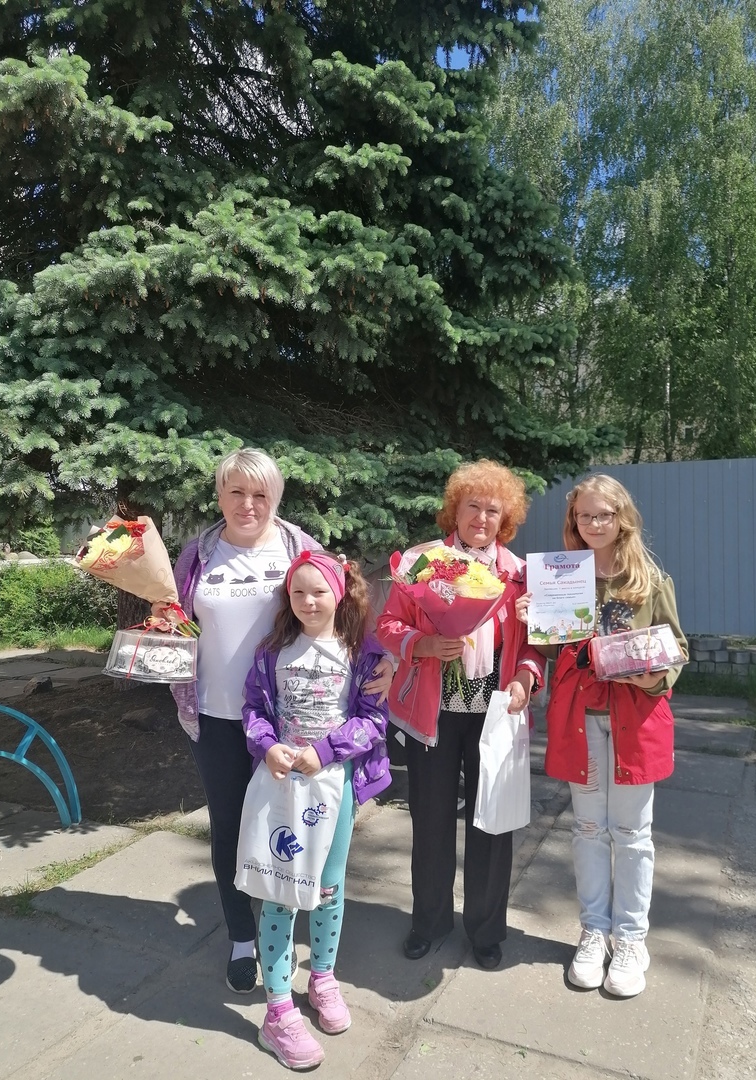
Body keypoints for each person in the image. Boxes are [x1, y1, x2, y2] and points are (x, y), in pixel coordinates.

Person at [165, 449, 392, 994]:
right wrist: (161, 626)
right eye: (236, 492)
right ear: (219, 495)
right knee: (232, 828)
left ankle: (289, 931)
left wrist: (381, 657)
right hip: (218, 717)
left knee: (292, 827)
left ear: (276, 498)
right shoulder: (197, 554)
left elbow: (344, 607)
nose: (248, 504)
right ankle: (244, 939)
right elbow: (173, 618)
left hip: (293, 728)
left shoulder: (298, 546)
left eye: (260, 494)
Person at [518, 474, 686, 998]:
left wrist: (649, 675)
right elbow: (553, 650)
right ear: (574, 521)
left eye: (603, 515)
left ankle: (631, 939)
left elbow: (676, 648)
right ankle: (594, 930)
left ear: (622, 518)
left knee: (632, 834)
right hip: (581, 718)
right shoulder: (561, 576)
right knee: (589, 829)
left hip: (635, 719)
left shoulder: (649, 579)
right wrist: (532, 621)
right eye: (584, 516)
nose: (593, 523)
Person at [376, 460, 546, 970]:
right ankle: (428, 922)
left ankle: (486, 931)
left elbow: (536, 645)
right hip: (434, 713)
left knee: (492, 824)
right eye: (473, 506)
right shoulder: (422, 562)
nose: (481, 518)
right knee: (430, 819)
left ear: (505, 519)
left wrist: (525, 678)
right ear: (455, 510)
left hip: (495, 712)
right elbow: (387, 625)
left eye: (493, 510)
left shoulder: (520, 574)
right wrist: (423, 643)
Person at [242, 550, 390, 1070]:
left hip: (333, 789)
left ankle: (322, 978)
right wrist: (267, 746)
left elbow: (374, 719)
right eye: (298, 592)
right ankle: (278, 1009)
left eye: (318, 591)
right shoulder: (272, 651)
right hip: (282, 788)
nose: (308, 601)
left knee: (328, 888)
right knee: (280, 892)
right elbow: (254, 710)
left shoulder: (361, 653)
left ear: (340, 593)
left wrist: (325, 751)